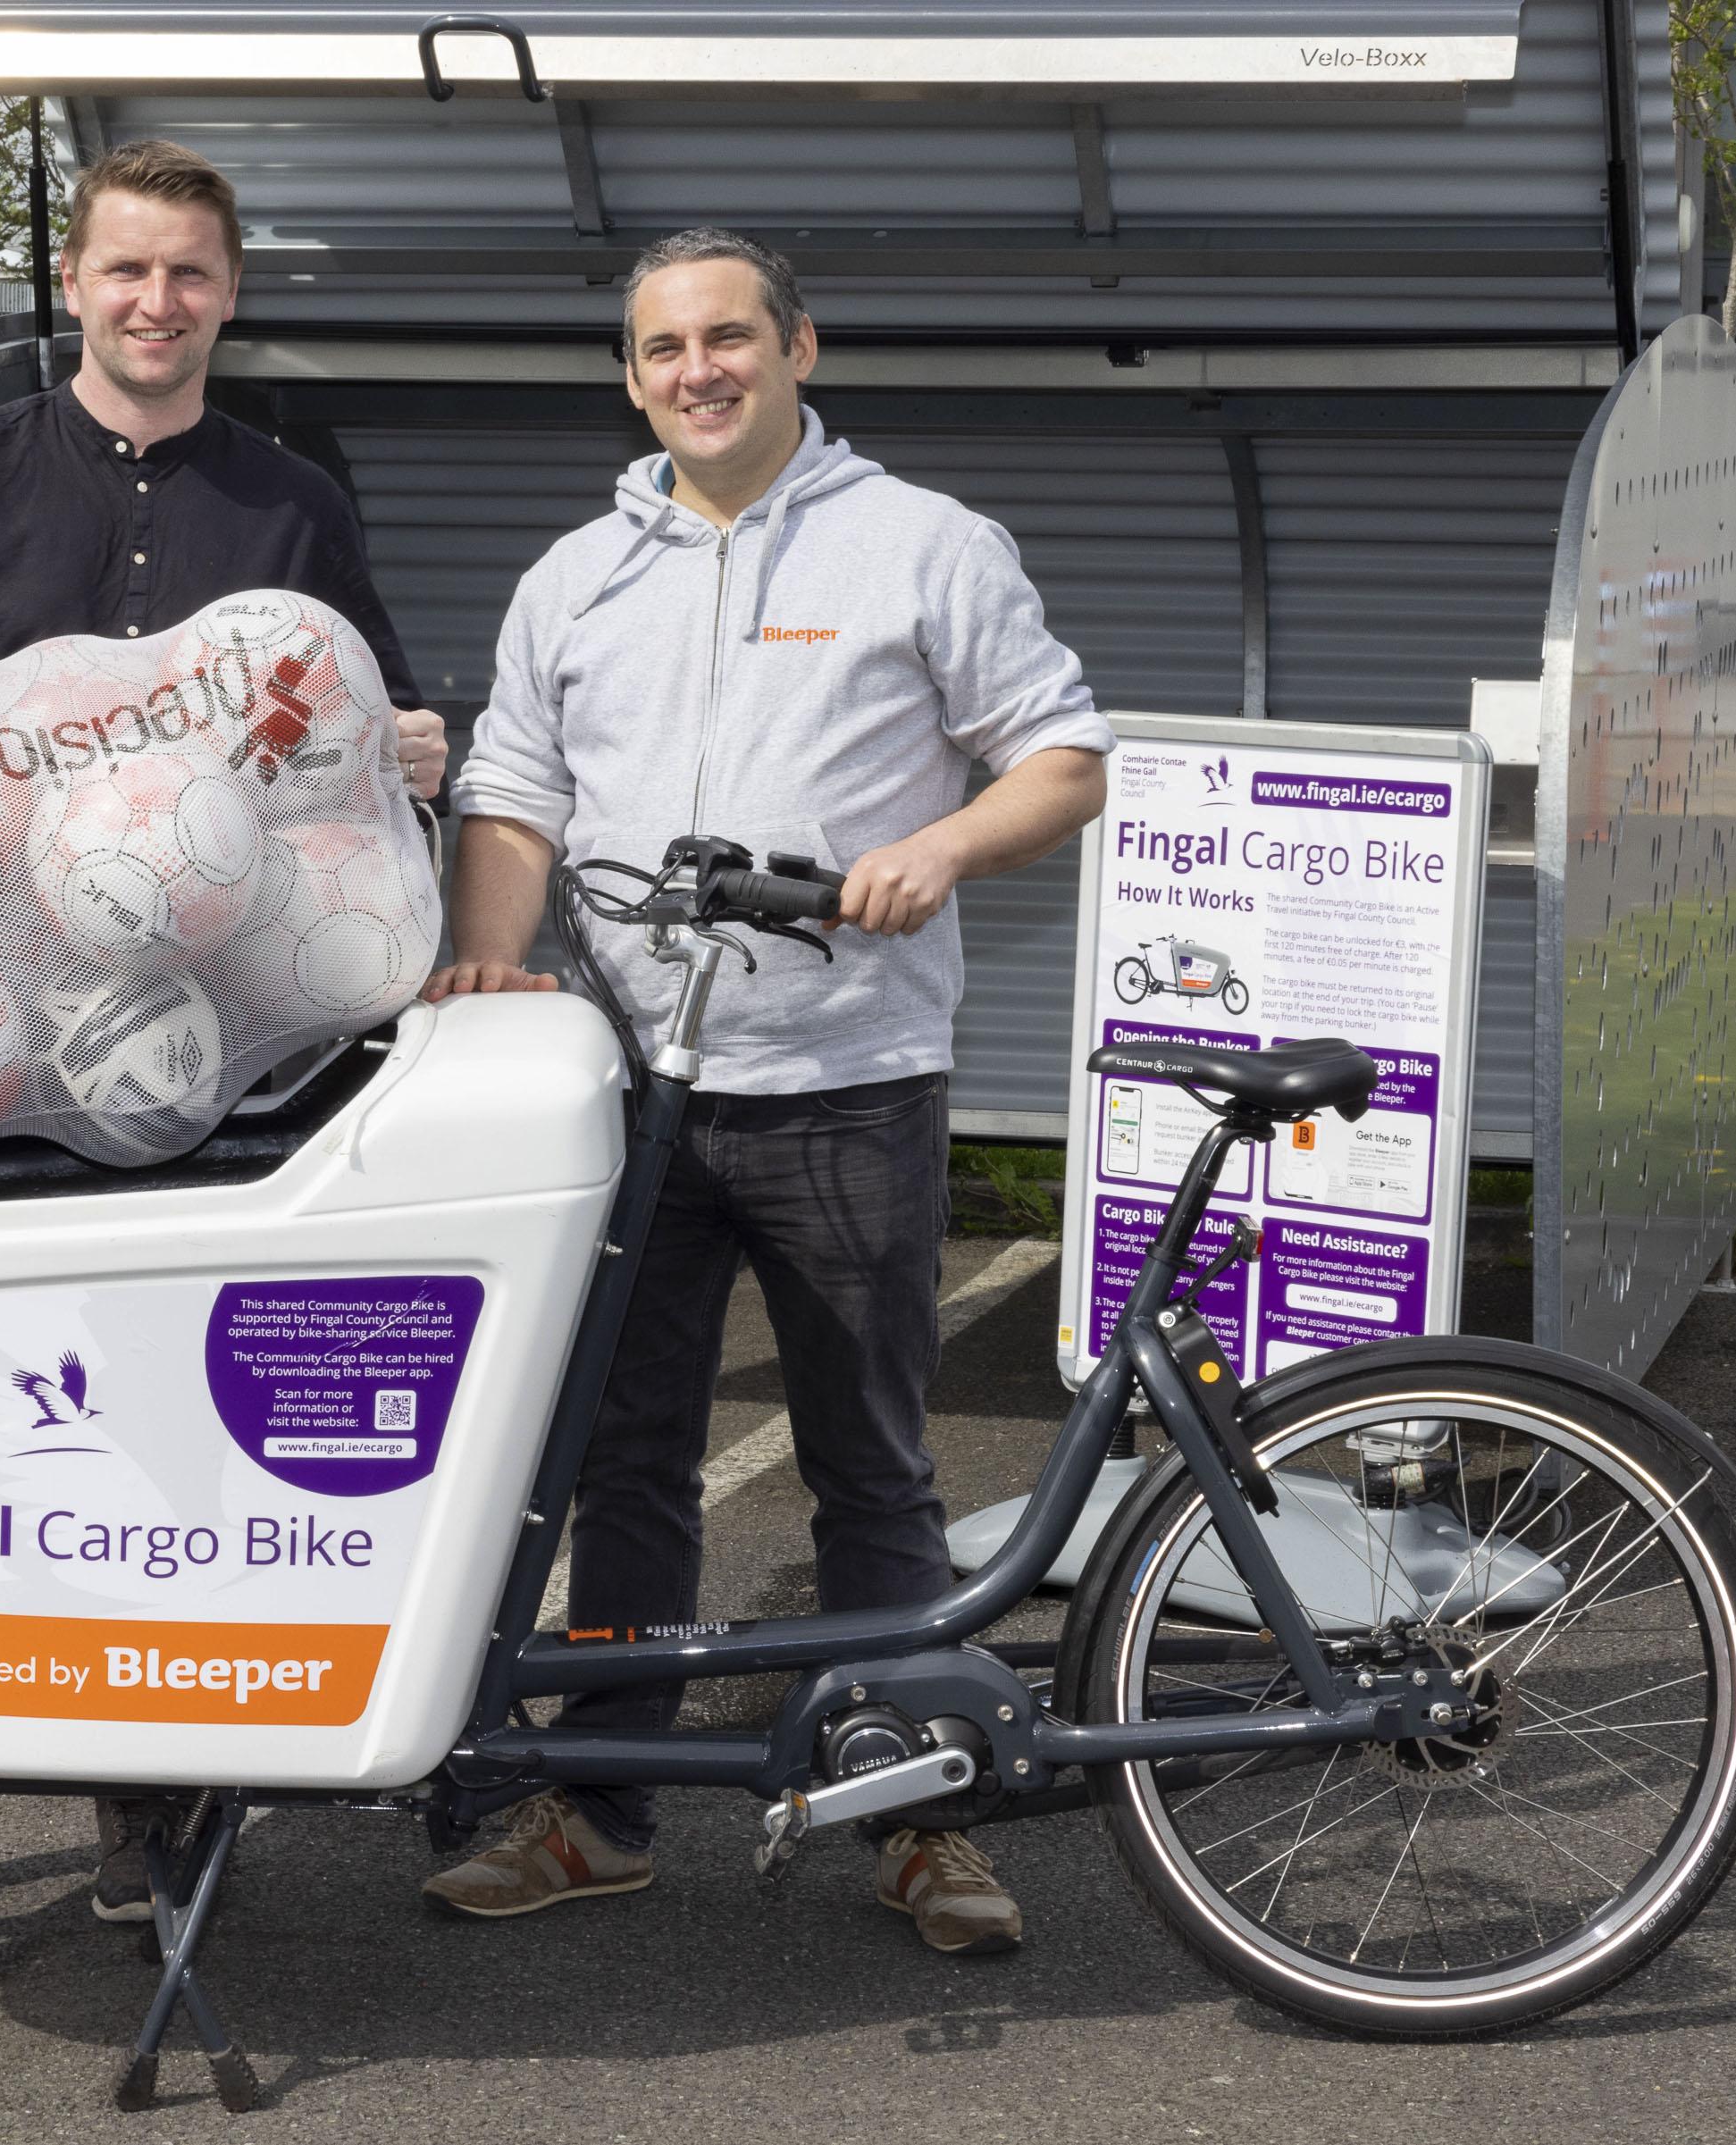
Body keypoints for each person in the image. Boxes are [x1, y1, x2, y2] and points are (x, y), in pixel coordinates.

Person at [0, 137, 448, 1946]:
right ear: (71, 280)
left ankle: (146, 1808)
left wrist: (407, 752)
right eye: (126, 270)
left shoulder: (290, 505)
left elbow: (342, 743)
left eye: (190, 275)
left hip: (191, 1070)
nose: (157, 304)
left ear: (229, 294)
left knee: (146, 1431)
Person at [421, 228, 1111, 1956]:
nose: (697, 371)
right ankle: (602, 1809)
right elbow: (511, 789)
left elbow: (1063, 755)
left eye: (729, 337)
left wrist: (939, 846)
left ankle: (917, 1813)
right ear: (631, 377)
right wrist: (492, 960)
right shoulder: (576, 574)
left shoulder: (921, 546)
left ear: (801, 347)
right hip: (629, 1096)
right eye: (663, 349)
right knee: (625, 1460)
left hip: (846, 1087)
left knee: (868, 1467)